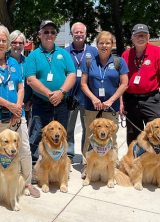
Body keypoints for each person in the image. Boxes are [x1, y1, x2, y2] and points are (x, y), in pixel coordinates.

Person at [0, 25, 40, 204]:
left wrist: (17, 109)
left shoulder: (14, 63)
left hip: (16, 118)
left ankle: (27, 183)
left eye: (4, 41)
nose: (1, 43)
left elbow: (21, 87)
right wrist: (9, 106)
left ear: (8, 44)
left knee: (25, 149)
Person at [121, 24, 160, 173]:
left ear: (149, 37)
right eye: (137, 35)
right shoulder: (126, 55)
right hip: (130, 99)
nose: (140, 38)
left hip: (152, 99)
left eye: (144, 35)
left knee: (158, 133)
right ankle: (135, 163)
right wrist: (121, 102)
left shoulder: (158, 52)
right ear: (132, 38)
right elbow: (122, 81)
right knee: (133, 134)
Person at [25, 20, 76, 164]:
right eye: (46, 31)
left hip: (62, 103)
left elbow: (72, 75)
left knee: (61, 135)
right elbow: (30, 79)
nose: (49, 34)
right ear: (39, 34)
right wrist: (49, 94)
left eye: (52, 32)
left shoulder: (63, 54)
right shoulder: (33, 56)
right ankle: (34, 166)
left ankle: (59, 165)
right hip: (41, 104)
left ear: (55, 35)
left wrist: (61, 92)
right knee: (36, 136)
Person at [80, 31, 129, 177]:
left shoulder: (119, 62)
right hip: (91, 106)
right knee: (90, 136)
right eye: (101, 43)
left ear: (112, 45)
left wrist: (111, 100)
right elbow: (83, 83)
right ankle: (86, 165)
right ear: (97, 45)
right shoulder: (89, 61)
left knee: (111, 137)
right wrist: (93, 98)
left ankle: (112, 165)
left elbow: (124, 84)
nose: (104, 46)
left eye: (108, 43)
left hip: (111, 107)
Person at [64, 22, 98, 163]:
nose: (78, 35)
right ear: (72, 34)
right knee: (69, 128)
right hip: (70, 98)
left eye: (81, 32)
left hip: (87, 98)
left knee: (87, 129)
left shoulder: (93, 51)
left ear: (86, 34)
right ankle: (69, 154)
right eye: (76, 32)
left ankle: (86, 155)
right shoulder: (65, 52)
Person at [9, 30, 32, 126]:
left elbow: (32, 83)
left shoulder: (28, 62)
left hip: (25, 107)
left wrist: (30, 101)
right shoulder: (3, 62)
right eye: (14, 42)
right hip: (8, 106)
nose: (17, 45)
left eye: (20, 43)